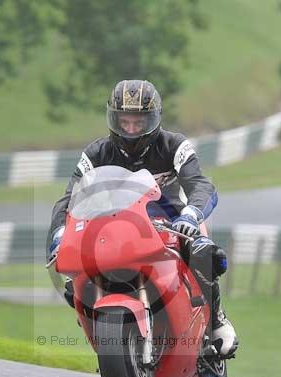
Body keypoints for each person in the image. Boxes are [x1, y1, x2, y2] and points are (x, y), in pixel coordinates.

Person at [46, 79, 238, 357]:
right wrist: (59, 234)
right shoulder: (95, 153)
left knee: (204, 253)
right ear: (114, 119)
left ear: (155, 119)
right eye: (125, 122)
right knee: (70, 278)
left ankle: (217, 321)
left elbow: (200, 184)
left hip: (172, 222)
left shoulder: (175, 145)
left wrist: (191, 213)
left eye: (140, 122)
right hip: (114, 227)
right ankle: (100, 326)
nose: (132, 129)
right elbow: (69, 198)